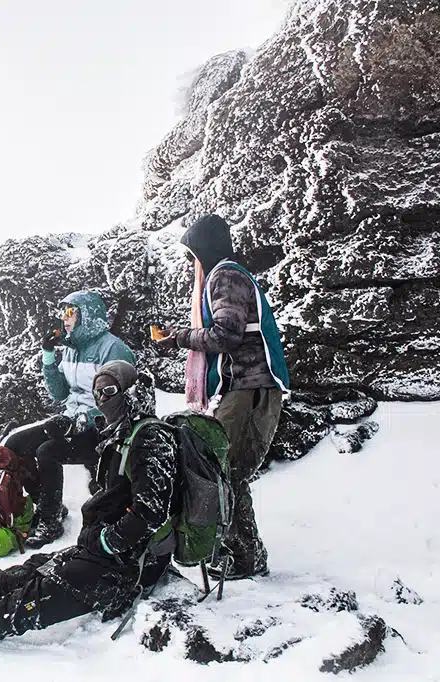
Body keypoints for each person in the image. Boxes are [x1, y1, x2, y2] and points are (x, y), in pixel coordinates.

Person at [0, 361, 176, 644]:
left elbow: (151, 513)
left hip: (133, 564)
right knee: (41, 565)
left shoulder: (151, 438)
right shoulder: (119, 434)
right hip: (107, 550)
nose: (102, 400)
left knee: (45, 590)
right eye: (97, 394)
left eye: (110, 391)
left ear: (132, 393)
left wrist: (107, 542)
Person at [155, 213, 289, 580]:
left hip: (252, 388)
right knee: (225, 470)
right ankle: (243, 552)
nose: (191, 265)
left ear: (205, 250)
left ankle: (242, 555)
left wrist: (181, 337)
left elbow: (226, 334)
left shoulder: (225, 276)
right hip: (243, 387)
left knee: (222, 468)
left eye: (191, 255)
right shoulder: (226, 275)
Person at [3, 291, 135, 549]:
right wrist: (49, 356)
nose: (65, 319)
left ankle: (50, 521)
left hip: (104, 428)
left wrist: (84, 419)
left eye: (70, 312)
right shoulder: (72, 350)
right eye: (63, 312)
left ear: (87, 314)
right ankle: (47, 502)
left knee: (48, 451)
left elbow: (124, 401)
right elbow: (60, 393)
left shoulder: (112, 348)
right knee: (15, 444)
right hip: (72, 418)